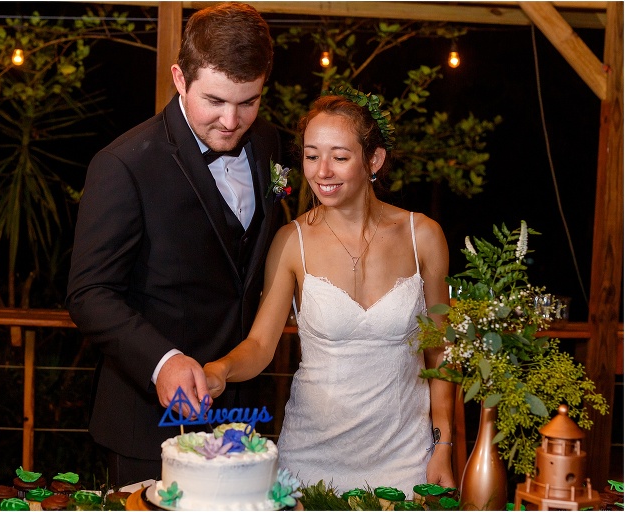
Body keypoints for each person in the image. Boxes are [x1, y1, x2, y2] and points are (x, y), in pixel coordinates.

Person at [65, 3, 281, 486]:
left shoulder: (267, 142)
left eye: (248, 101)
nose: (232, 121)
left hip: (244, 416)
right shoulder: (123, 164)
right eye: (216, 101)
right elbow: (89, 293)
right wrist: (162, 361)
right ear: (180, 79)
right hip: (149, 424)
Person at [203, 92, 456, 497]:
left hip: (407, 458)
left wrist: (443, 444)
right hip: (309, 459)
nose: (322, 171)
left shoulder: (422, 235)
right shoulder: (291, 242)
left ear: (373, 160)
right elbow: (260, 345)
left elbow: (440, 351)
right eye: (311, 155)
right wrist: (220, 369)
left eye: (339, 157)